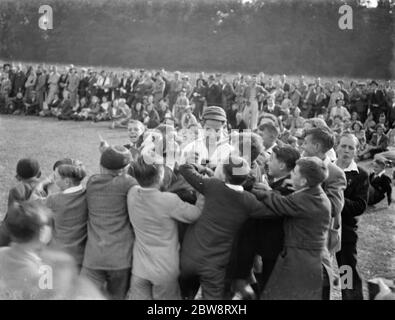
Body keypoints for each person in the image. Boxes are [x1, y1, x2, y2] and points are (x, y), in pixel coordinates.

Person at [178, 156, 263, 300]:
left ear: (223, 174)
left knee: (184, 294)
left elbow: (184, 168)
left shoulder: (212, 186)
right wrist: (268, 192)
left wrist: (203, 168)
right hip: (215, 265)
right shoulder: (249, 200)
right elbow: (268, 210)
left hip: (189, 259)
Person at [250, 157, 331, 300]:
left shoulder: (305, 199)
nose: (290, 174)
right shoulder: (313, 193)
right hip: (310, 258)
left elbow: (279, 203)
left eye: (294, 172)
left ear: (303, 181)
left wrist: (256, 190)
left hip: (301, 261)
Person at [126, 155, 201, 300]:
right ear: (161, 175)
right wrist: (202, 192)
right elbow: (195, 214)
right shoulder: (169, 200)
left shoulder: (132, 193)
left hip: (139, 268)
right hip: (164, 269)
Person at [232, 145, 301, 298]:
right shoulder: (274, 182)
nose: (267, 163)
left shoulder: (290, 187)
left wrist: (254, 193)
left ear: (282, 165)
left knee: (269, 288)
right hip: (262, 247)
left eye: (271, 160)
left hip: (273, 248)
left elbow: (270, 209)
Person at [81, 145, 138, 300]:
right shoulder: (129, 183)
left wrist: (107, 155)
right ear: (125, 168)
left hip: (93, 256)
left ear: (101, 165)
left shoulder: (92, 182)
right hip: (120, 259)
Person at [301, 127, 347, 299]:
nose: (302, 146)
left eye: (306, 143)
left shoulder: (335, 173)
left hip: (320, 241)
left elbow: (334, 208)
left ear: (317, 146)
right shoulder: (300, 164)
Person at [335, 134, 368, 300]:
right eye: (343, 146)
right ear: (337, 147)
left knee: (346, 271)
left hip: (345, 231)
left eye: (351, 147)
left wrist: (338, 199)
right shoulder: (326, 168)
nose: (346, 150)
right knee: (319, 270)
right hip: (321, 230)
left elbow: (360, 206)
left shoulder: (360, 175)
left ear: (356, 151)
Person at [45, 163, 88, 271]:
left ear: (67, 181)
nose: (54, 179)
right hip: (80, 258)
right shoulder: (88, 195)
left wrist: (41, 184)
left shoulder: (54, 200)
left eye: (56, 177)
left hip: (58, 256)